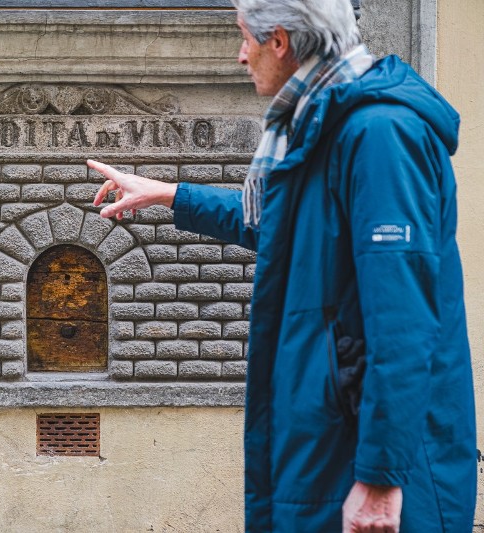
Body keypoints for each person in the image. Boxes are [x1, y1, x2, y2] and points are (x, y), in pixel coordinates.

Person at [88, 0, 477, 531]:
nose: (239, 55)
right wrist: (168, 194)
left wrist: (382, 479)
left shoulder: (379, 135)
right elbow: (279, 225)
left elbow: (404, 323)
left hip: (373, 468)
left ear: (280, 41)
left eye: (244, 37)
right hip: (331, 447)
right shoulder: (322, 125)